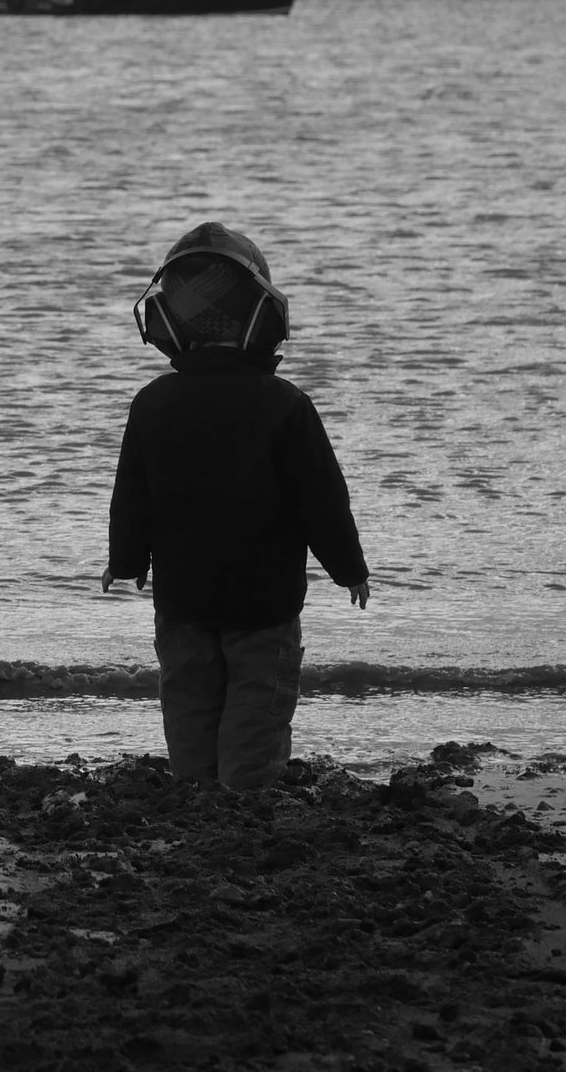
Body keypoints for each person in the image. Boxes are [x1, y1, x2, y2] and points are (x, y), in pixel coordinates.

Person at [104, 221, 370, 790]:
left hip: (184, 595)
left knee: (189, 695)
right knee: (258, 697)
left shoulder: (153, 402)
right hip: (263, 598)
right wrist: (349, 568)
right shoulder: (284, 403)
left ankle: (198, 787)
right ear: (266, 317)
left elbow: (132, 495)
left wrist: (125, 561)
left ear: (168, 321)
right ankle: (244, 795)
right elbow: (322, 498)